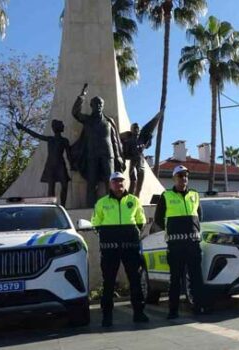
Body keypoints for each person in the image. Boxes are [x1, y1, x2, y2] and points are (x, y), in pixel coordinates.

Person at [91, 171, 148, 326]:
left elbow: (141, 221)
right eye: (115, 181)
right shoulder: (102, 202)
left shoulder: (134, 201)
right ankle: (107, 317)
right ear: (110, 184)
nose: (119, 183)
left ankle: (139, 313)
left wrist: (133, 233)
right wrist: (106, 236)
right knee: (108, 282)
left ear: (125, 183)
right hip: (110, 249)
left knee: (135, 280)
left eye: (121, 181)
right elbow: (96, 223)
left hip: (131, 248)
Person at [153, 165, 207, 318]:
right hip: (175, 246)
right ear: (174, 178)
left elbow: (199, 216)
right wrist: (173, 230)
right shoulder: (166, 195)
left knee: (196, 277)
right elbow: (158, 218)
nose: (183, 179)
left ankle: (199, 307)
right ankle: (173, 311)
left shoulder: (195, 195)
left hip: (193, 244)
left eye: (185, 176)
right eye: (180, 176)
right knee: (175, 279)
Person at [71, 84, 124, 206]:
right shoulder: (87, 119)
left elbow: (115, 140)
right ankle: (91, 207)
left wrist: (118, 156)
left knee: (110, 181)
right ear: (91, 106)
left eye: (100, 104)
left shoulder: (109, 121)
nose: (99, 106)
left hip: (108, 154)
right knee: (92, 183)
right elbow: (75, 113)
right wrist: (82, 96)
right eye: (96, 104)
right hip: (92, 155)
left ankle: (112, 205)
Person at [15, 120, 71, 206]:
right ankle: (52, 206)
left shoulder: (64, 141)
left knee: (64, 184)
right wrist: (22, 128)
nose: (63, 126)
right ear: (57, 127)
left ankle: (63, 206)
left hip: (60, 165)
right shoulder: (50, 139)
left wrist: (72, 164)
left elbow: (69, 155)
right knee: (51, 186)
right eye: (62, 125)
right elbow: (35, 135)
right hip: (51, 165)